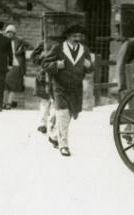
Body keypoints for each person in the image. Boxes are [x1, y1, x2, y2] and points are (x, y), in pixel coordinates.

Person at [42, 24, 94, 157]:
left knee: (70, 112)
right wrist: (56, 65)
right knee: (63, 112)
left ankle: (54, 136)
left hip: (76, 87)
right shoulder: (59, 48)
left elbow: (91, 67)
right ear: (68, 36)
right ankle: (63, 145)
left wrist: (89, 66)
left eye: (79, 36)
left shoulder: (84, 50)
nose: (77, 38)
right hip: (60, 85)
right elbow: (45, 64)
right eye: (74, 36)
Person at [30, 41, 54, 134]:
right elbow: (33, 57)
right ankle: (43, 124)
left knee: (54, 102)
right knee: (44, 100)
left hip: (57, 75)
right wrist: (41, 57)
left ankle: (52, 125)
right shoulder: (43, 43)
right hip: (44, 75)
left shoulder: (62, 43)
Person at [3, 25, 29, 110]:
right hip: (5, 64)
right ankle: (3, 102)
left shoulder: (18, 41)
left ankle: (9, 103)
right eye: (8, 32)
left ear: (14, 33)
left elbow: (29, 46)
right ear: (6, 33)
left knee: (13, 86)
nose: (10, 34)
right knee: (5, 85)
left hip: (16, 64)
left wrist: (22, 49)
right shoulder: (3, 41)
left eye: (12, 32)